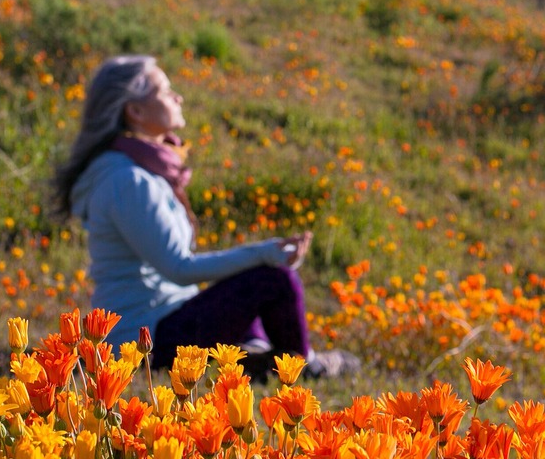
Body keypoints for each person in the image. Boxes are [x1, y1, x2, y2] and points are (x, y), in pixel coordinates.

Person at [53, 55, 358, 379]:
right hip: (144, 341)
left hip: (161, 323)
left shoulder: (136, 172)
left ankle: (254, 355)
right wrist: (265, 253)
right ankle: (303, 366)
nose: (177, 97)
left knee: (247, 278)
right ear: (136, 111)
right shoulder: (127, 181)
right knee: (274, 279)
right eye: (165, 90)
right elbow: (179, 268)